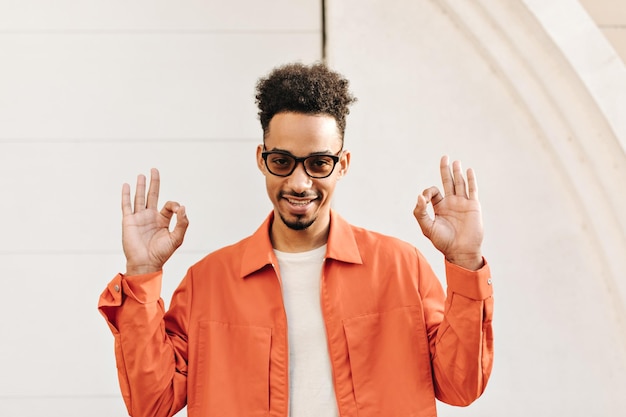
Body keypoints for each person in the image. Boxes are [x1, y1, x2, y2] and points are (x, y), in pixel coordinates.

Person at [98, 62, 493, 417]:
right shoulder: (209, 282)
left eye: (319, 163)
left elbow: (461, 387)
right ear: (261, 158)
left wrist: (465, 261)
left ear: (343, 165)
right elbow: (152, 403)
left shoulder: (400, 267)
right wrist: (142, 274)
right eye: (282, 162)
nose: (299, 183)